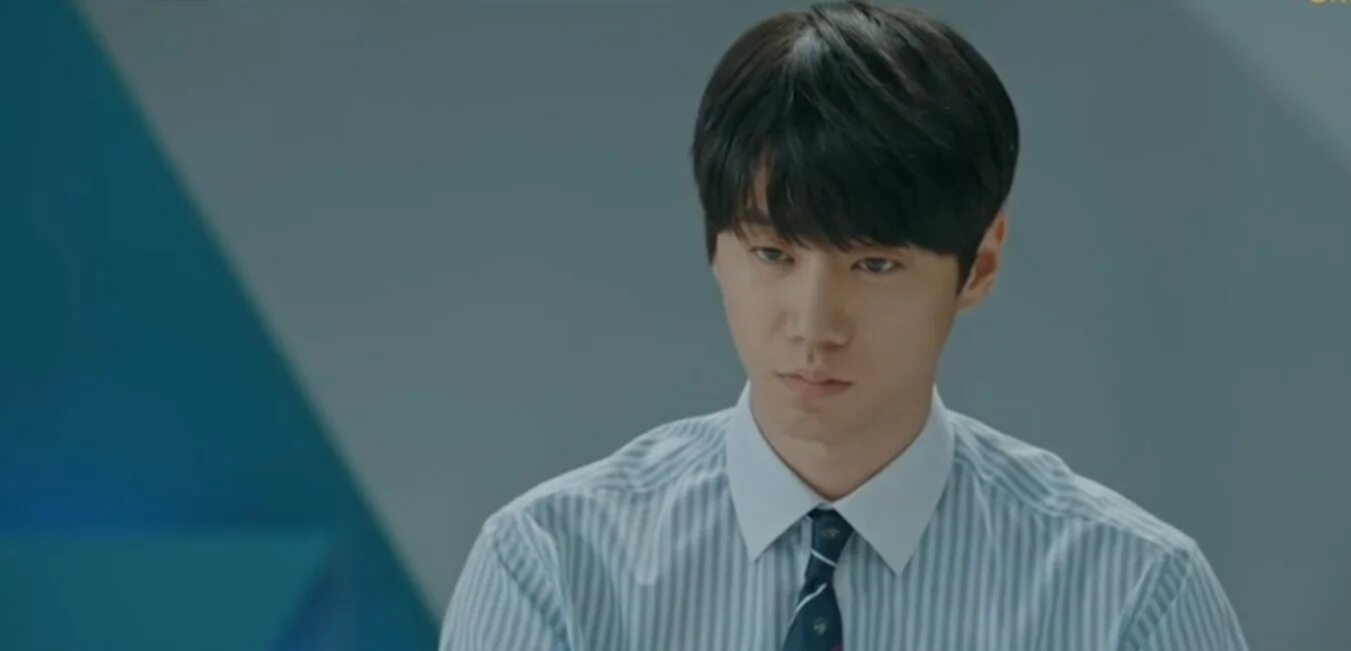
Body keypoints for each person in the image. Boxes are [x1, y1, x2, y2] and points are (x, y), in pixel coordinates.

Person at [439, 1, 1250, 649]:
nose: (814, 326)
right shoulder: (554, 565)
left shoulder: (1129, 592)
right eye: (773, 254)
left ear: (979, 265)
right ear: (714, 245)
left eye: (874, 264)